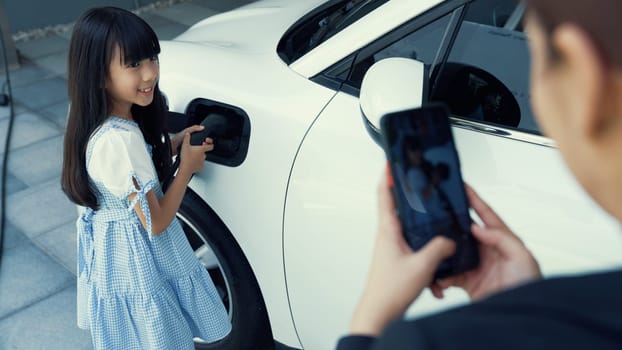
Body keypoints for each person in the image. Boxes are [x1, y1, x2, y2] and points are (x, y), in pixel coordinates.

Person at [337, 0, 622, 348]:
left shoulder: (430, 341)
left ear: (585, 78)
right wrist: (524, 306)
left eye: (532, 49)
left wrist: (370, 326)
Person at [60, 7, 231, 349]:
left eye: (152, 58)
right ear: (99, 74)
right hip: (136, 259)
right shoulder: (119, 140)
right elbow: (155, 222)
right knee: (157, 334)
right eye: (134, 65)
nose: (150, 73)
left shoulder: (103, 124)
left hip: (116, 257)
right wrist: (186, 169)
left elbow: (123, 175)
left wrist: (174, 144)